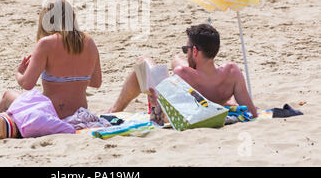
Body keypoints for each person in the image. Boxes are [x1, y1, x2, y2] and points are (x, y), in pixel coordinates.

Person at [0, 0, 102, 136]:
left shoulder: (47, 43)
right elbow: (96, 83)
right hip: (79, 113)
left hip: (49, 115)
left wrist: (19, 72)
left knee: (8, 96)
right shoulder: (89, 42)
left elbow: (27, 84)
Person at [108, 23, 258, 118]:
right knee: (176, 58)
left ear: (194, 51)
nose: (186, 52)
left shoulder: (183, 74)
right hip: (214, 96)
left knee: (143, 62)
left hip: (168, 99)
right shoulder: (232, 72)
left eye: (186, 49)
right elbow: (252, 112)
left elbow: (167, 114)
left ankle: (114, 109)